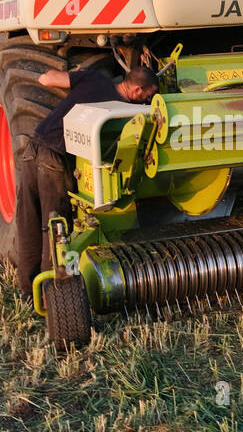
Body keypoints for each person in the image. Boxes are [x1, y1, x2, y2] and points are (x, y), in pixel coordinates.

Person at [16, 64, 158, 296]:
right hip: (55, 159)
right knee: (56, 228)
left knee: (28, 221)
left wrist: (74, 71)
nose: (146, 101)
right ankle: (52, 294)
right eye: (148, 96)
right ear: (137, 91)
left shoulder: (94, 78)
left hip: (32, 148)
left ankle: (27, 289)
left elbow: (46, 79)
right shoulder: (122, 112)